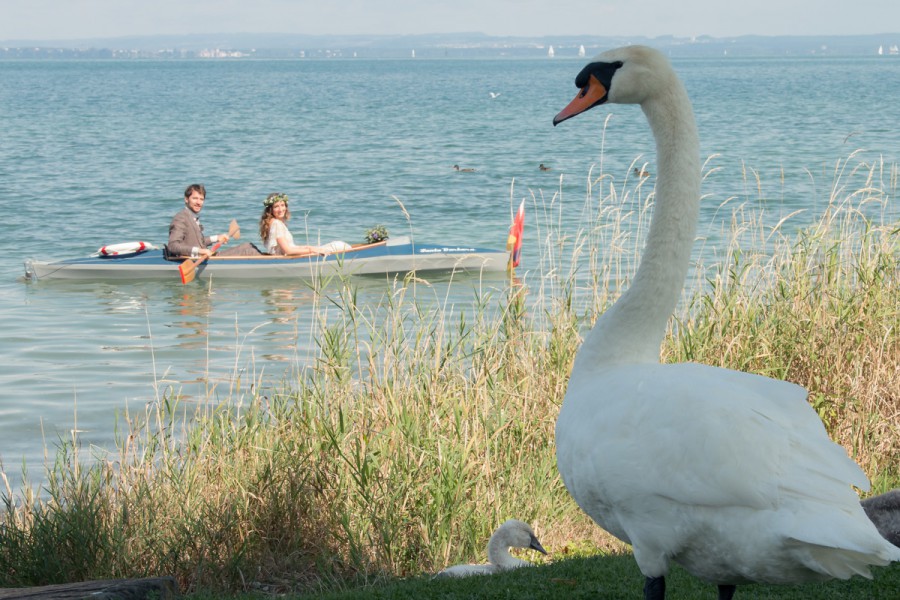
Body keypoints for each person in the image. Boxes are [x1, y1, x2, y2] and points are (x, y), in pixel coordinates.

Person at [165, 183, 261, 259]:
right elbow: (173, 246)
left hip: (206, 256)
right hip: (196, 259)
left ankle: (269, 260)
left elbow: (198, 241)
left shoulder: (192, 216)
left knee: (248, 246)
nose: (198, 202)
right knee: (248, 250)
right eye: (195, 198)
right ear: (186, 199)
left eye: (201, 199)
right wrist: (200, 251)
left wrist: (217, 238)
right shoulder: (181, 217)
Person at [258, 193, 326, 256]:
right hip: (283, 259)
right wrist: (311, 250)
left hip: (284, 257)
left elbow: (291, 247)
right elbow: (288, 251)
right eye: (276, 207)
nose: (280, 209)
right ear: (271, 210)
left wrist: (309, 247)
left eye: (282, 205)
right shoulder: (276, 224)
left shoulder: (273, 222)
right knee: (334, 246)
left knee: (324, 247)